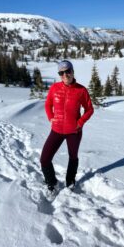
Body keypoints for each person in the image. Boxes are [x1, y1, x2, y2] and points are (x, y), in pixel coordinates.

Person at [40, 60, 94, 193]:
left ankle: (70, 182)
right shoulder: (54, 88)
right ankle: (52, 183)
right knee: (44, 159)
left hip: (74, 131)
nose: (65, 75)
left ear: (72, 71)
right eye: (61, 73)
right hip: (57, 129)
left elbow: (89, 109)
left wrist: (79, 123)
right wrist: (50, 117)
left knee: (73, 157)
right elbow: (48, 104)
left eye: (67, 71)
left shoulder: (81, 90)